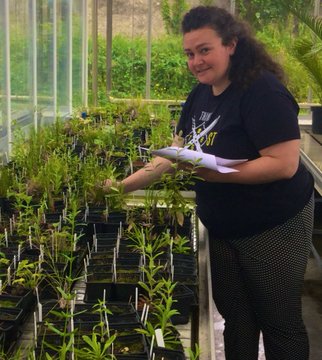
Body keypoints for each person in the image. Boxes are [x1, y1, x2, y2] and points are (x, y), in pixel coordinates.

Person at [104, 5, 314, 360]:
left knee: (279, 321)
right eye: (189, 53)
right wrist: (119, 187)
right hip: (222, 227)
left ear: (231, 44)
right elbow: (175, 155)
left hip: (274, 226)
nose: (196, 61)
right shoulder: (199, 95)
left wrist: (217, 174)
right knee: (237, 318)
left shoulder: (262, 91)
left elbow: (284, 165)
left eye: (205, 50)